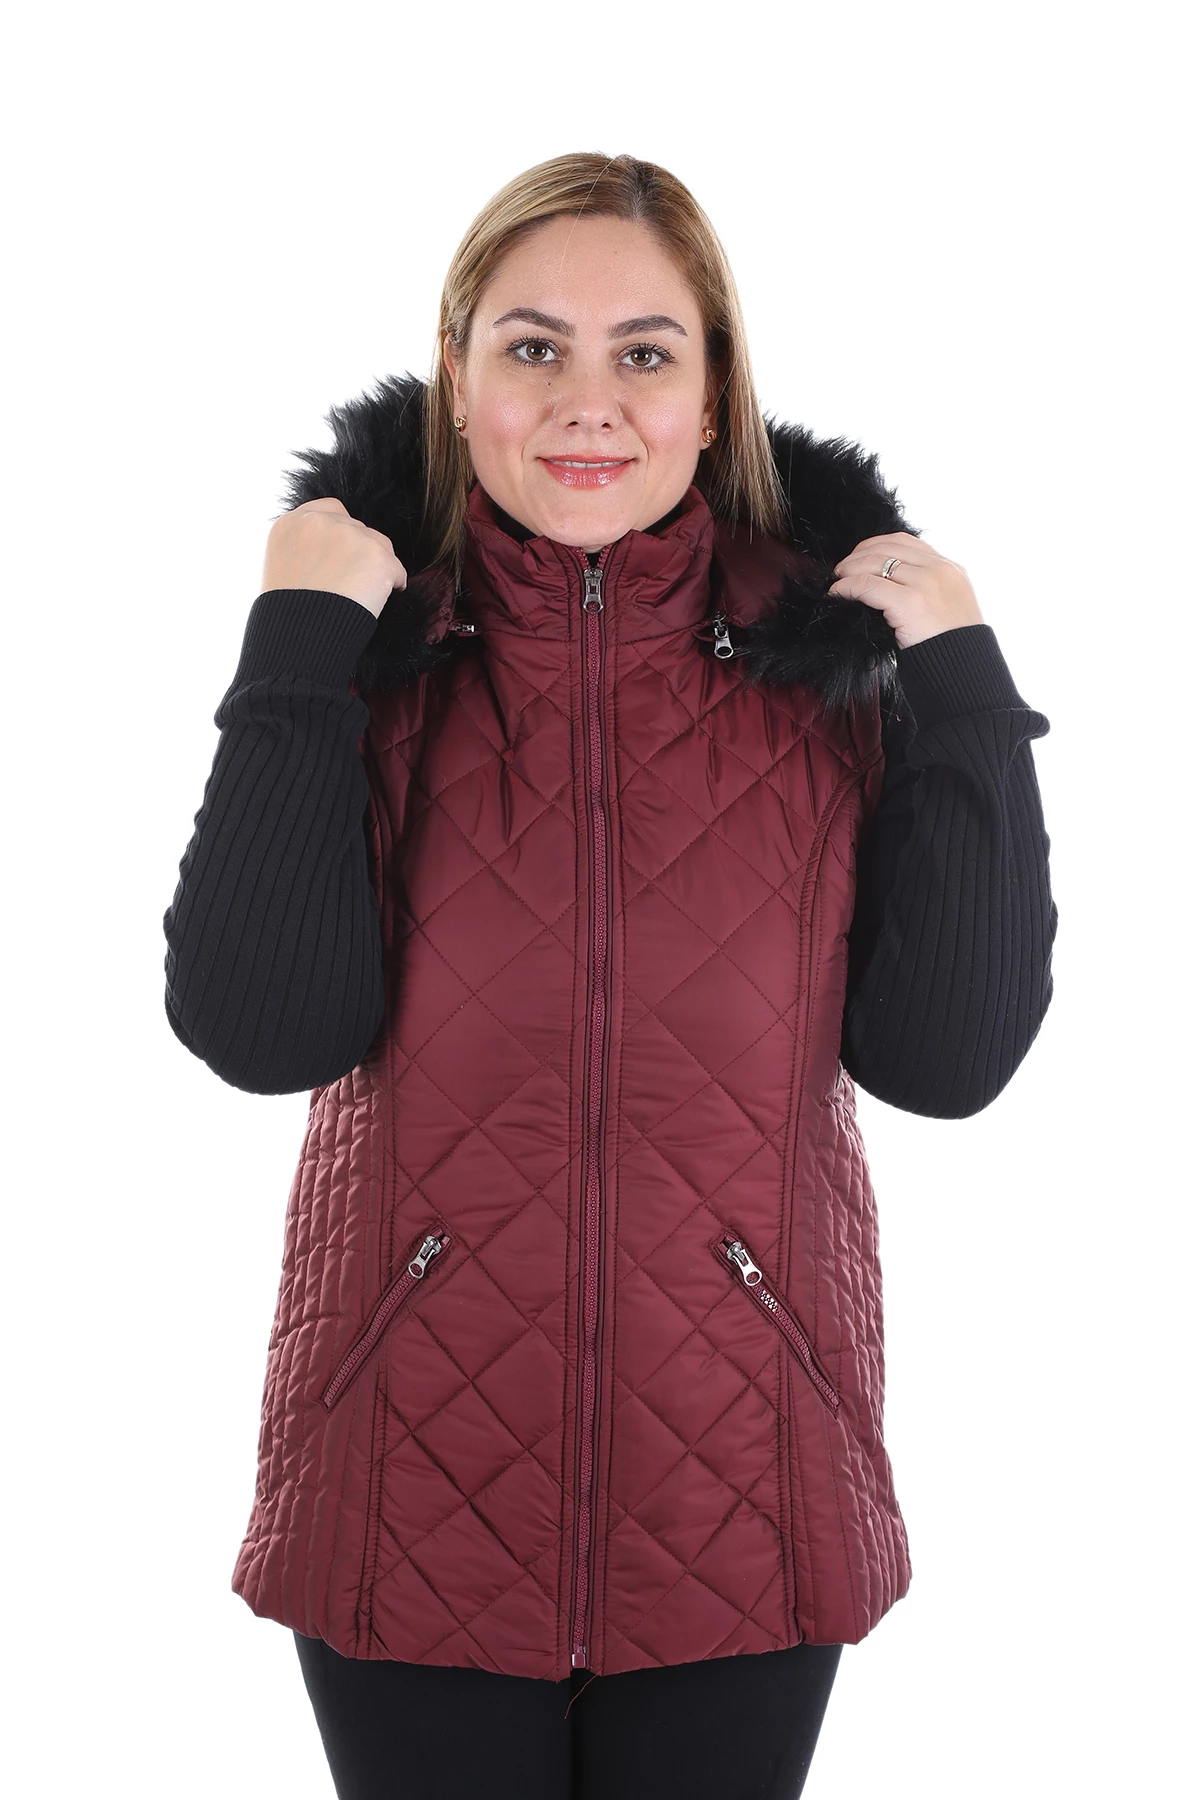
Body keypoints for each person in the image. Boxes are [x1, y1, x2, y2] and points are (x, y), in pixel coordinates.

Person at [163, 151, 1057, 1799]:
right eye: (534, 347)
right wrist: (293, 660)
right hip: (408, 1484)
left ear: (714, 398)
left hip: (742, 1479)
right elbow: (262, 1029)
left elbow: (945, 1062)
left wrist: (966, 691)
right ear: (459, 380)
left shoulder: (833, 678)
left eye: (646, 352)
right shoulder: (370, 653)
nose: (590, 403)